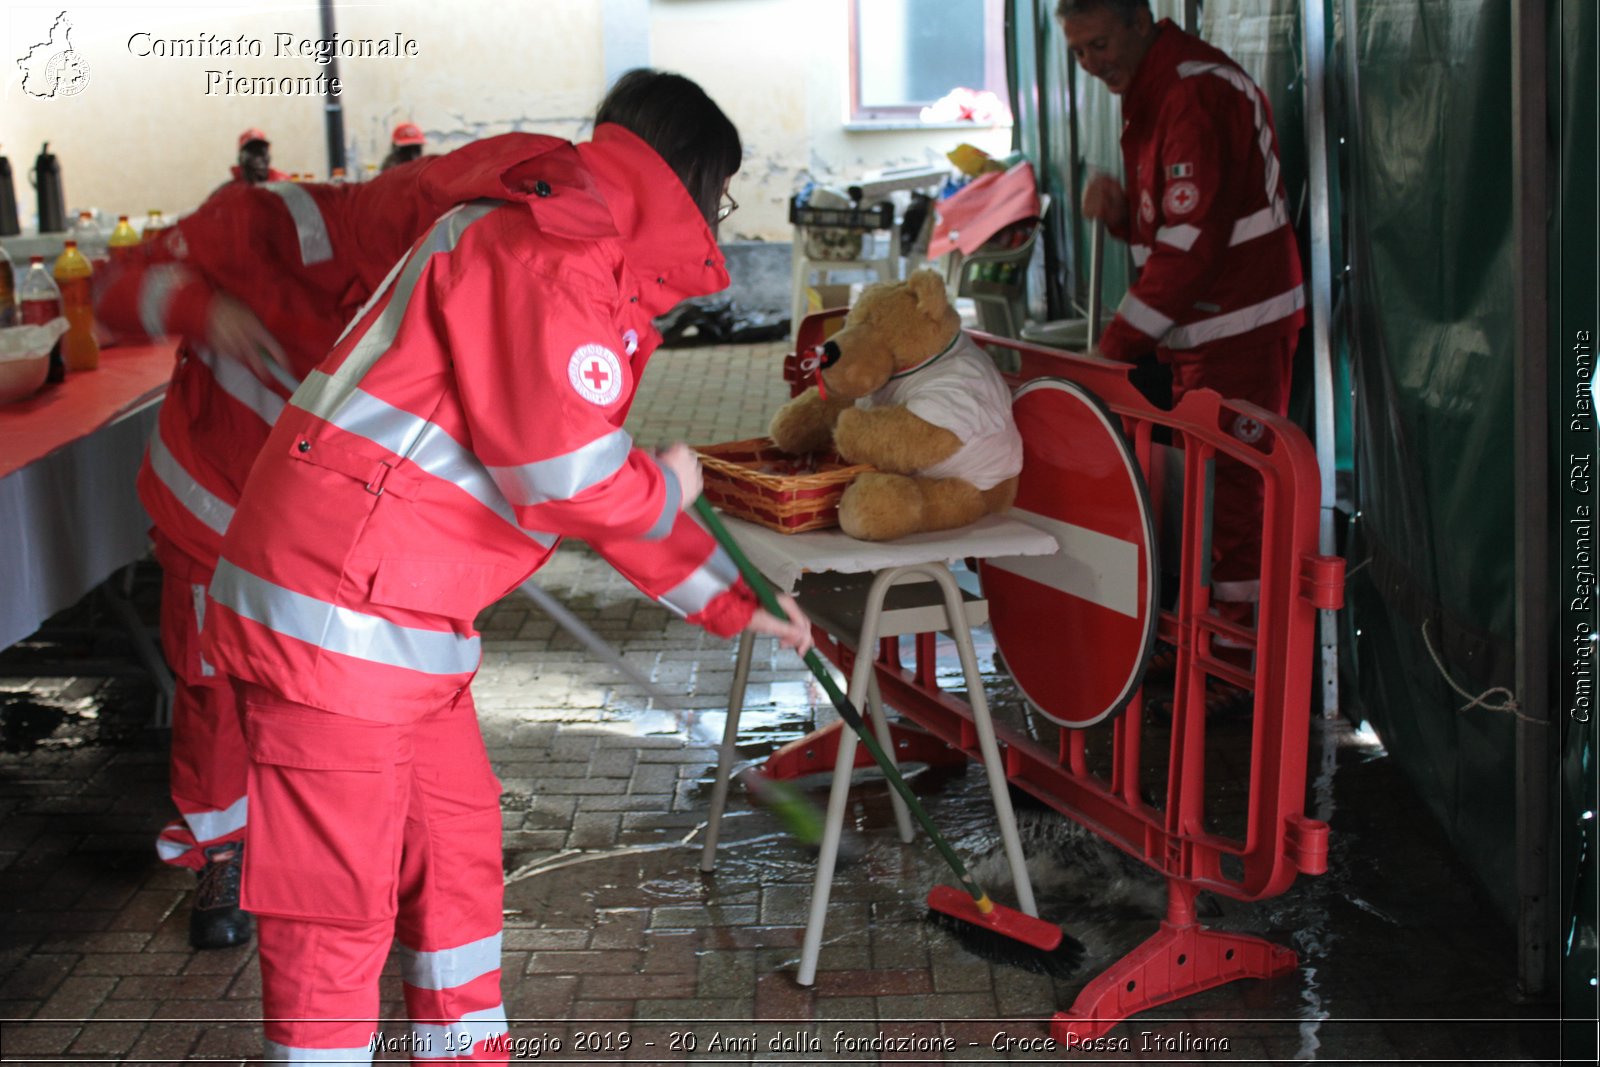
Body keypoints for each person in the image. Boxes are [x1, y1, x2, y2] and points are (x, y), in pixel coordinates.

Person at [198, 69, 812, 1062]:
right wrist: (670, 483)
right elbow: (566, 475)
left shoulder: (582, 256)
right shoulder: (550, 251)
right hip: (336, 616)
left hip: (401, 616)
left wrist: (739, 599)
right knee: (338, 901)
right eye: (722, 194)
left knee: (456, 851)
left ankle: (466, 1049)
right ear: (691, 178)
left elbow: (577, 467)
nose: (720, 217)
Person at [96, 143, 582, 950]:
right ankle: (222, 852)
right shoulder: (256, 221)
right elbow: (115, 291)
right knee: (216, 697)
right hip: (213, 512)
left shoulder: (450, 278)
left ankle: (359, 851)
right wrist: (199, 308)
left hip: (328, 538)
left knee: (348, 696)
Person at [1059, 0, 1305, 691]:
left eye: (1100, 43)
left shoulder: (1190, 90)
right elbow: (1173, 228)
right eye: (1078, 52)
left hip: (1239, 327)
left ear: (1141, 21)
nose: (1091, 63)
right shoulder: (1152, 91)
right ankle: (1207, 643)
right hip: (1201, 332)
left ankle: (1236, 666)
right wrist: (1116, 219)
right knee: (1210, 490)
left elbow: (1189, 245)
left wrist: (1113, 348)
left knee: (1237, 494)